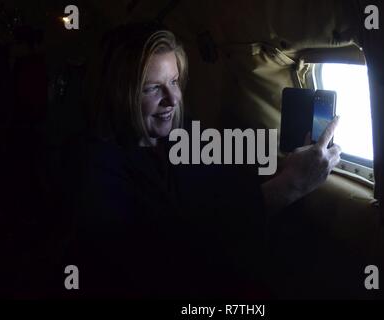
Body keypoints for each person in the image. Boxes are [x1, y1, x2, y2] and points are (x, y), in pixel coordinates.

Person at [54, 23, 341, 298]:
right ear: (118, 94)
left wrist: (287, 168)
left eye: (174, 81)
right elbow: (166, 262)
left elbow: (225, 191)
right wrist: (288, 186)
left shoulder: (184, 133)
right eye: (151, 88)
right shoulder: (92, 165)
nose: (172, 99)